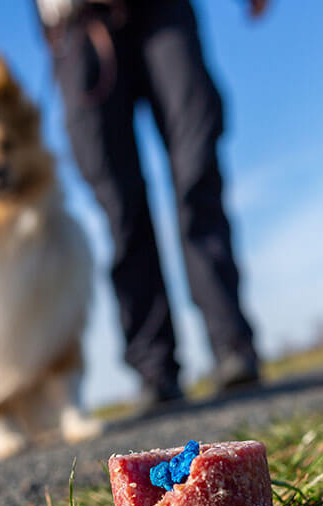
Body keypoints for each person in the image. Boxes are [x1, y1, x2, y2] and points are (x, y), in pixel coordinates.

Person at [38, 0, 269, 409]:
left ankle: (232, 344)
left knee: (196, 169)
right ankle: (154, 368)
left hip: (163, 12)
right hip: (77, 26)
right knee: (119, 207)